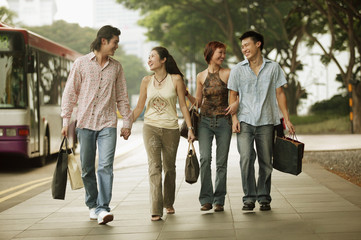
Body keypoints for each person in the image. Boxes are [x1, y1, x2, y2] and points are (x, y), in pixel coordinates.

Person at [61, 25, 133, 224]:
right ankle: (92, 204)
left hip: (107, 124)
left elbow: (122, 97)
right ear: (104, 41)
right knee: (86, 168)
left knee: (105, 166)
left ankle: (103, 208)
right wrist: (66, 120)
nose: (116, 46)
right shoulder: (81, 64)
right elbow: (70, 93)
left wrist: (127, 122)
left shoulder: (116, 67)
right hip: (84, 124)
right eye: (115, 42)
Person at [228, 31, 295, 211]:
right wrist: (234, 118)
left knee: (266, 161)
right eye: (242, 47)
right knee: (246, 158)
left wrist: (286, 119)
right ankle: (249, 198)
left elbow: (280, 93)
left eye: (247, 45)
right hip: (244, 120)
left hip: (266, 120)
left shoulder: (273, 68)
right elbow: (232, 95)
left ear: (258, 44)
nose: (244, 49)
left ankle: (264, 197)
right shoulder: (237, 70)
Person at [132, 46, 196, 221]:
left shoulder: (176, 80)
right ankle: (155, 209)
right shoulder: (146, 81)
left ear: (163, 60)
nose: (149, 59)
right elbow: (139, 107)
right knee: (154, 167)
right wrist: (128, 124)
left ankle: (168, 202)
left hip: (171, 129)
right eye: (148, 57)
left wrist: (190, 129)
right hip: (150, 127)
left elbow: (184, 106)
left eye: (152, 56)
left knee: (169, 168)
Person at [185, 41, 238, 212]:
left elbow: (238, 95)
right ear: (210, 53)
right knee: (205, 159)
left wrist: (236, 107)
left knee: (221, 163)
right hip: (205, 123)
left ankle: (219, 200)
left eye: (224, 53)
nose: (223, 56)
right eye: (220, 53)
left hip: (224, 121)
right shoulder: (201, 76)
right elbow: (198, 103)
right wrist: (187, 94)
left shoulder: (228, 73)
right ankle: (206, 199)